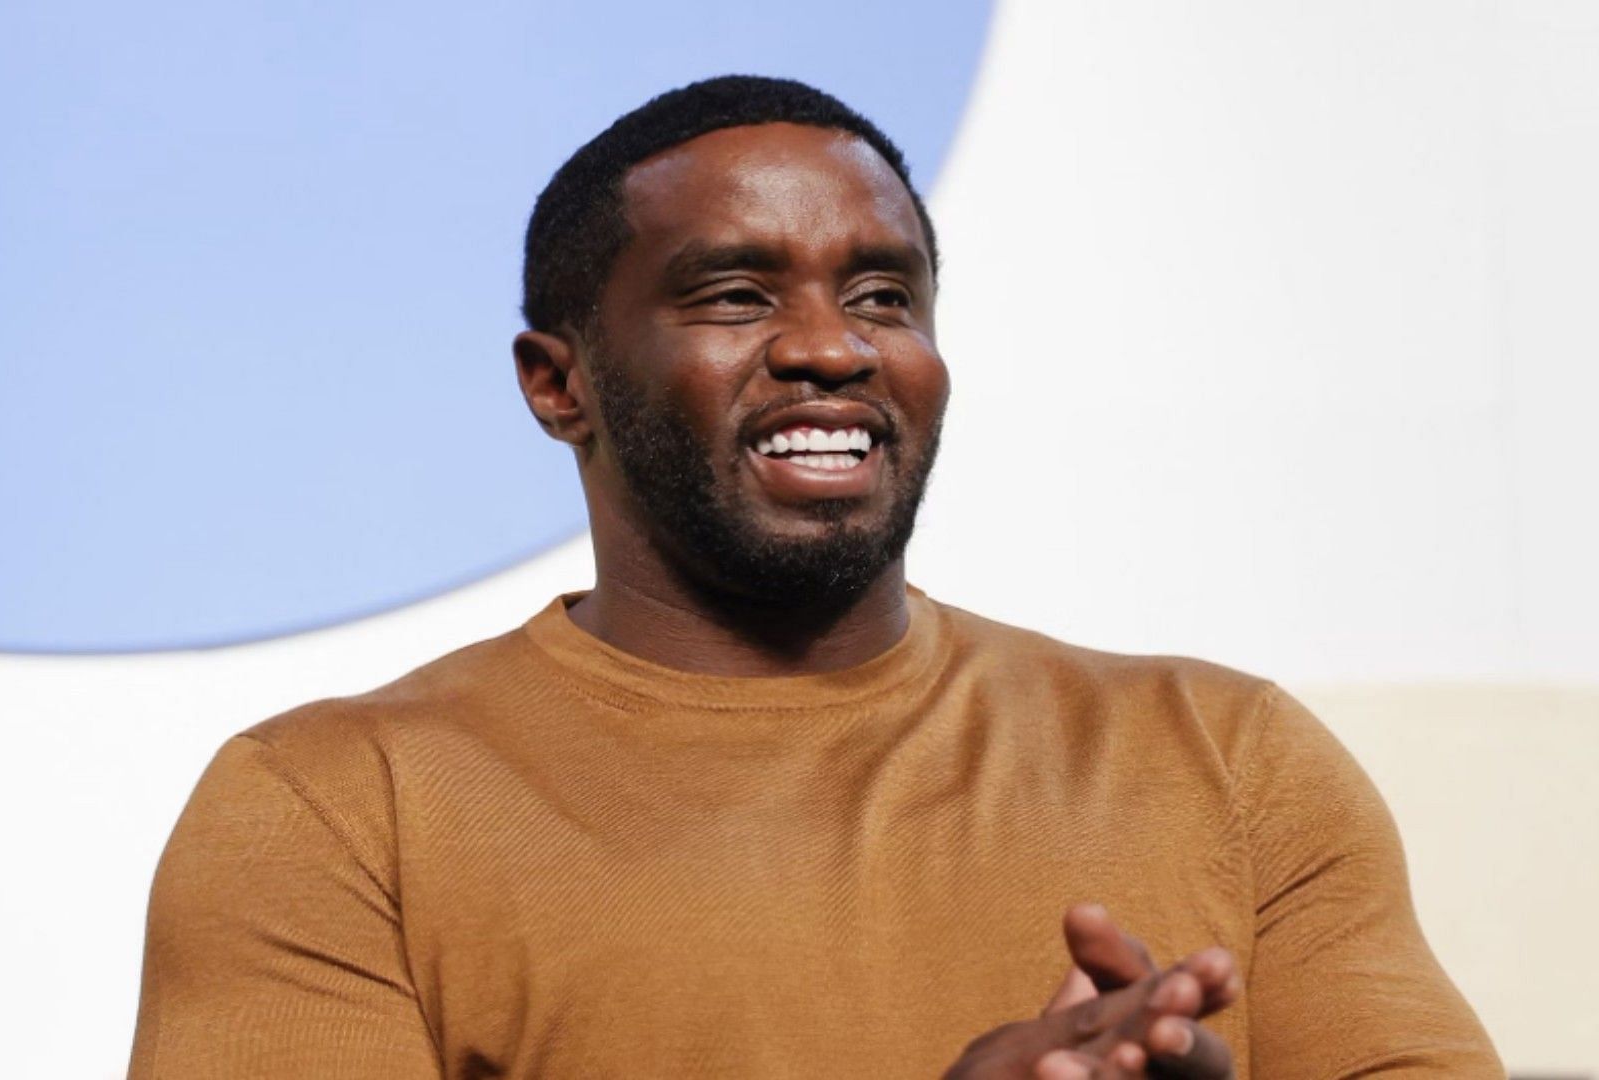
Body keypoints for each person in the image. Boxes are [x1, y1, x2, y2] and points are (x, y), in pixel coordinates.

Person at [127, 76, 1501, 1079]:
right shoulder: (336, 810)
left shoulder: (1228, 756)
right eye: (736, 294)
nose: (833, 349)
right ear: (559, 384)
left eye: (884, 295)